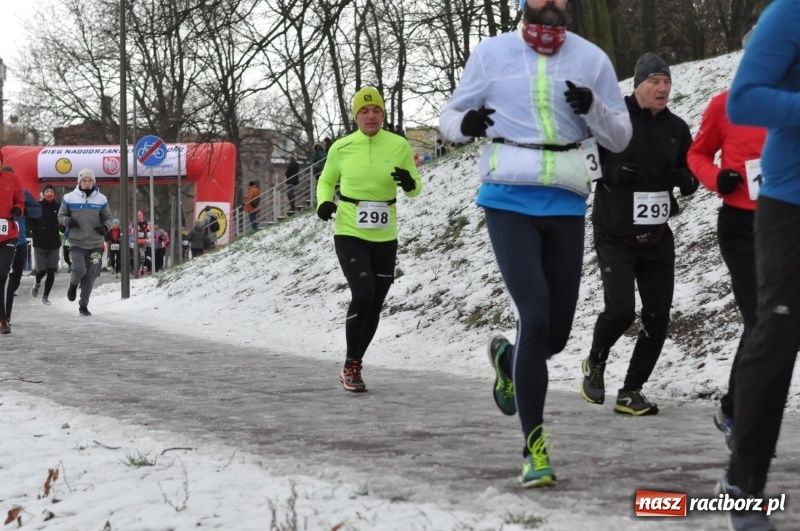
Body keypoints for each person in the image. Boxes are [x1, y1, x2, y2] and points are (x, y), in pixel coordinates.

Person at [439, 0, 631, 487]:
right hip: (508, 197)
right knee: (534, 313)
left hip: (565, 201)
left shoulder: (591, 59)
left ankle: (508, 360)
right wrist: (466, 126)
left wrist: (594, 109)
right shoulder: (492, 54)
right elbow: (449, 118)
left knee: (555, 336)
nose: (551, 4)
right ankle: (534, 448)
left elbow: (620, 137)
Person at [717, 2, 800, 529]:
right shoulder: (789, 13)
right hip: (792, 203)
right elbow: (744, 99)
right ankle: (743, 484)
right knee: (778, 333)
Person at [580, 52, 698, 417]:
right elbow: (585, 155)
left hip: (657, 235)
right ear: (638, 85)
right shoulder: (612, 117)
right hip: (614, 232)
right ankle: (595, 360)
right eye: (654, 81)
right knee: (621, 311)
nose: (663, 88)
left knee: (658, 317)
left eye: (667, 82)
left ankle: (631, 390)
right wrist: (609, 173)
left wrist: (687, 180)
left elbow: (691, 168)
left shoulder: (677, 128)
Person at [686, 40, 766, 454]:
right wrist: (716, 177)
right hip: (740, 226)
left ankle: (741, 408)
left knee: (780, 324)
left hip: (784, 225)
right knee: (759, 318)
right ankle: (737, 414)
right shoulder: (724, 105)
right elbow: (696, 154)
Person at [316, 86, 422, 393]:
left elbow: (415, 188)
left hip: (385, 235)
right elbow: (326, 180)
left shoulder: (398, 145)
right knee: (363, 293)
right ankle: (351, 365)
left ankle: (355, 363)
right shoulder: (342, 147)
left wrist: (409, 182)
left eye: (376, 110)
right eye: (364, 111)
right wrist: (324, 202)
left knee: (375, 302)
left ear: (383, 114)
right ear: (356, 117)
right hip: (350, 230)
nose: (370, 115)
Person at [57, 168, 113, 316]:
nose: (87, 183)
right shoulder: (69, 197)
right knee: (79, 269)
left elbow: (108, 218)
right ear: (79, 182)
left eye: (90, 180)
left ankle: (83, 305)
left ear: (93, 182)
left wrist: (105, 227)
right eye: (84, 180)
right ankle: (73, 284)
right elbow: (61, 215)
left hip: (95, 244)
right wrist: (68, 221)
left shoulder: (101, 199)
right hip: (76, 242)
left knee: (91, 275)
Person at [6, 184, 42, 323]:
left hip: (19, 240)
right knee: (3, 277)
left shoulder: (23, 193)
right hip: (2, 241)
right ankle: (5, 316)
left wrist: (25, 209)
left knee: (16, 278)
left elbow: (38, 211)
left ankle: (5, 313)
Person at [0, 155, 25, 334]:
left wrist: (18, 208)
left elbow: (20, 200)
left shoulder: (11, 178)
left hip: (8, 233)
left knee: (2, 274)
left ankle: (3, 319)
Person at [31, 184, 63, 304]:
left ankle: (45, 296)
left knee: (51, 270)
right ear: (43, 193)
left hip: (54, 243)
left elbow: (63, 222)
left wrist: (61, 227)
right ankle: (37, 282)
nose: (49, 193)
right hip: (40, 243)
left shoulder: (59, 207)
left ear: (54, 194)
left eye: (51, 191)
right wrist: (37, 229)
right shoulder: (37, 206)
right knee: (42, 270)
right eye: (47, 191)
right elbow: (29, 222)